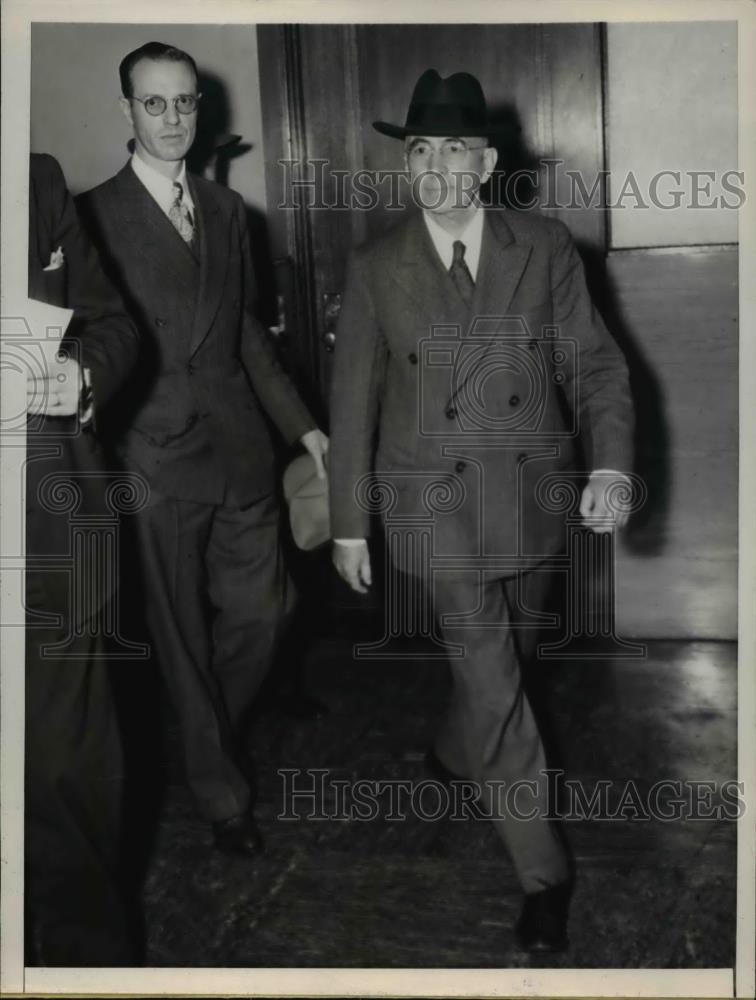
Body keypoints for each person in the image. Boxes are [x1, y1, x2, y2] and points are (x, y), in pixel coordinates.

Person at [329, 70, 634, 952]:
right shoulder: (375, 266)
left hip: (535, 505)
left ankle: (455, 753)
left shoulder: (543, 245)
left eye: (454, 149)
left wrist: (610, 469)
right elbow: (352, 404)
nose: (434, 168)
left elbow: (599, 368)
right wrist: (351, 523)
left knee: (514, 663)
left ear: (486, 161)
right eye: (420, 150)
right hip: (435, 506)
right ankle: (545, 876)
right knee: (498, 689)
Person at [78, 42, 328, 857]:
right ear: (128, 112)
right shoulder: (93, 217)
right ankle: (223, 794)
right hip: (151, 457)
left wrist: (305, 427)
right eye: (156, 104)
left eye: (185, 102)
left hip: (239, 446)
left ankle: (192, 727)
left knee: (269, 611)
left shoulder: (228, 212)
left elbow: (250, 335)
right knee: (180, 632)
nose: (174, 119)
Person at [25, 152, 140, 965]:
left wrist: (80, 375)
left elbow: (112, 322)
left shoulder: (34, 180)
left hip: (48, 521)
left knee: (71, 768)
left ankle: (85, 965)